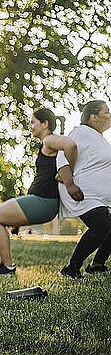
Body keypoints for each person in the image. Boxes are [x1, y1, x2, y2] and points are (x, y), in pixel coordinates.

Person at [0, 108, 78, 275]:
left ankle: (7, 266)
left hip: (43, 201)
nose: (30, 126)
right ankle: (6, 265)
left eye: (33, 122)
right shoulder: (46, 143)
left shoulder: (49, 140)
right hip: (41, 200)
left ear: (45, 124)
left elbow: (71, 145)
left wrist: (69, 173)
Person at [58, 100, 111, 278]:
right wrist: (69, 184)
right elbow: (61, 155)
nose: (110, 115)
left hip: (99, 196)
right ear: (93, 117)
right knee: (102, 225)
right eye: (107, 111)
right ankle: (71, 268)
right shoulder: (81, 132)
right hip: (82, 193)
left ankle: (97, 264)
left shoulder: (97, 138)